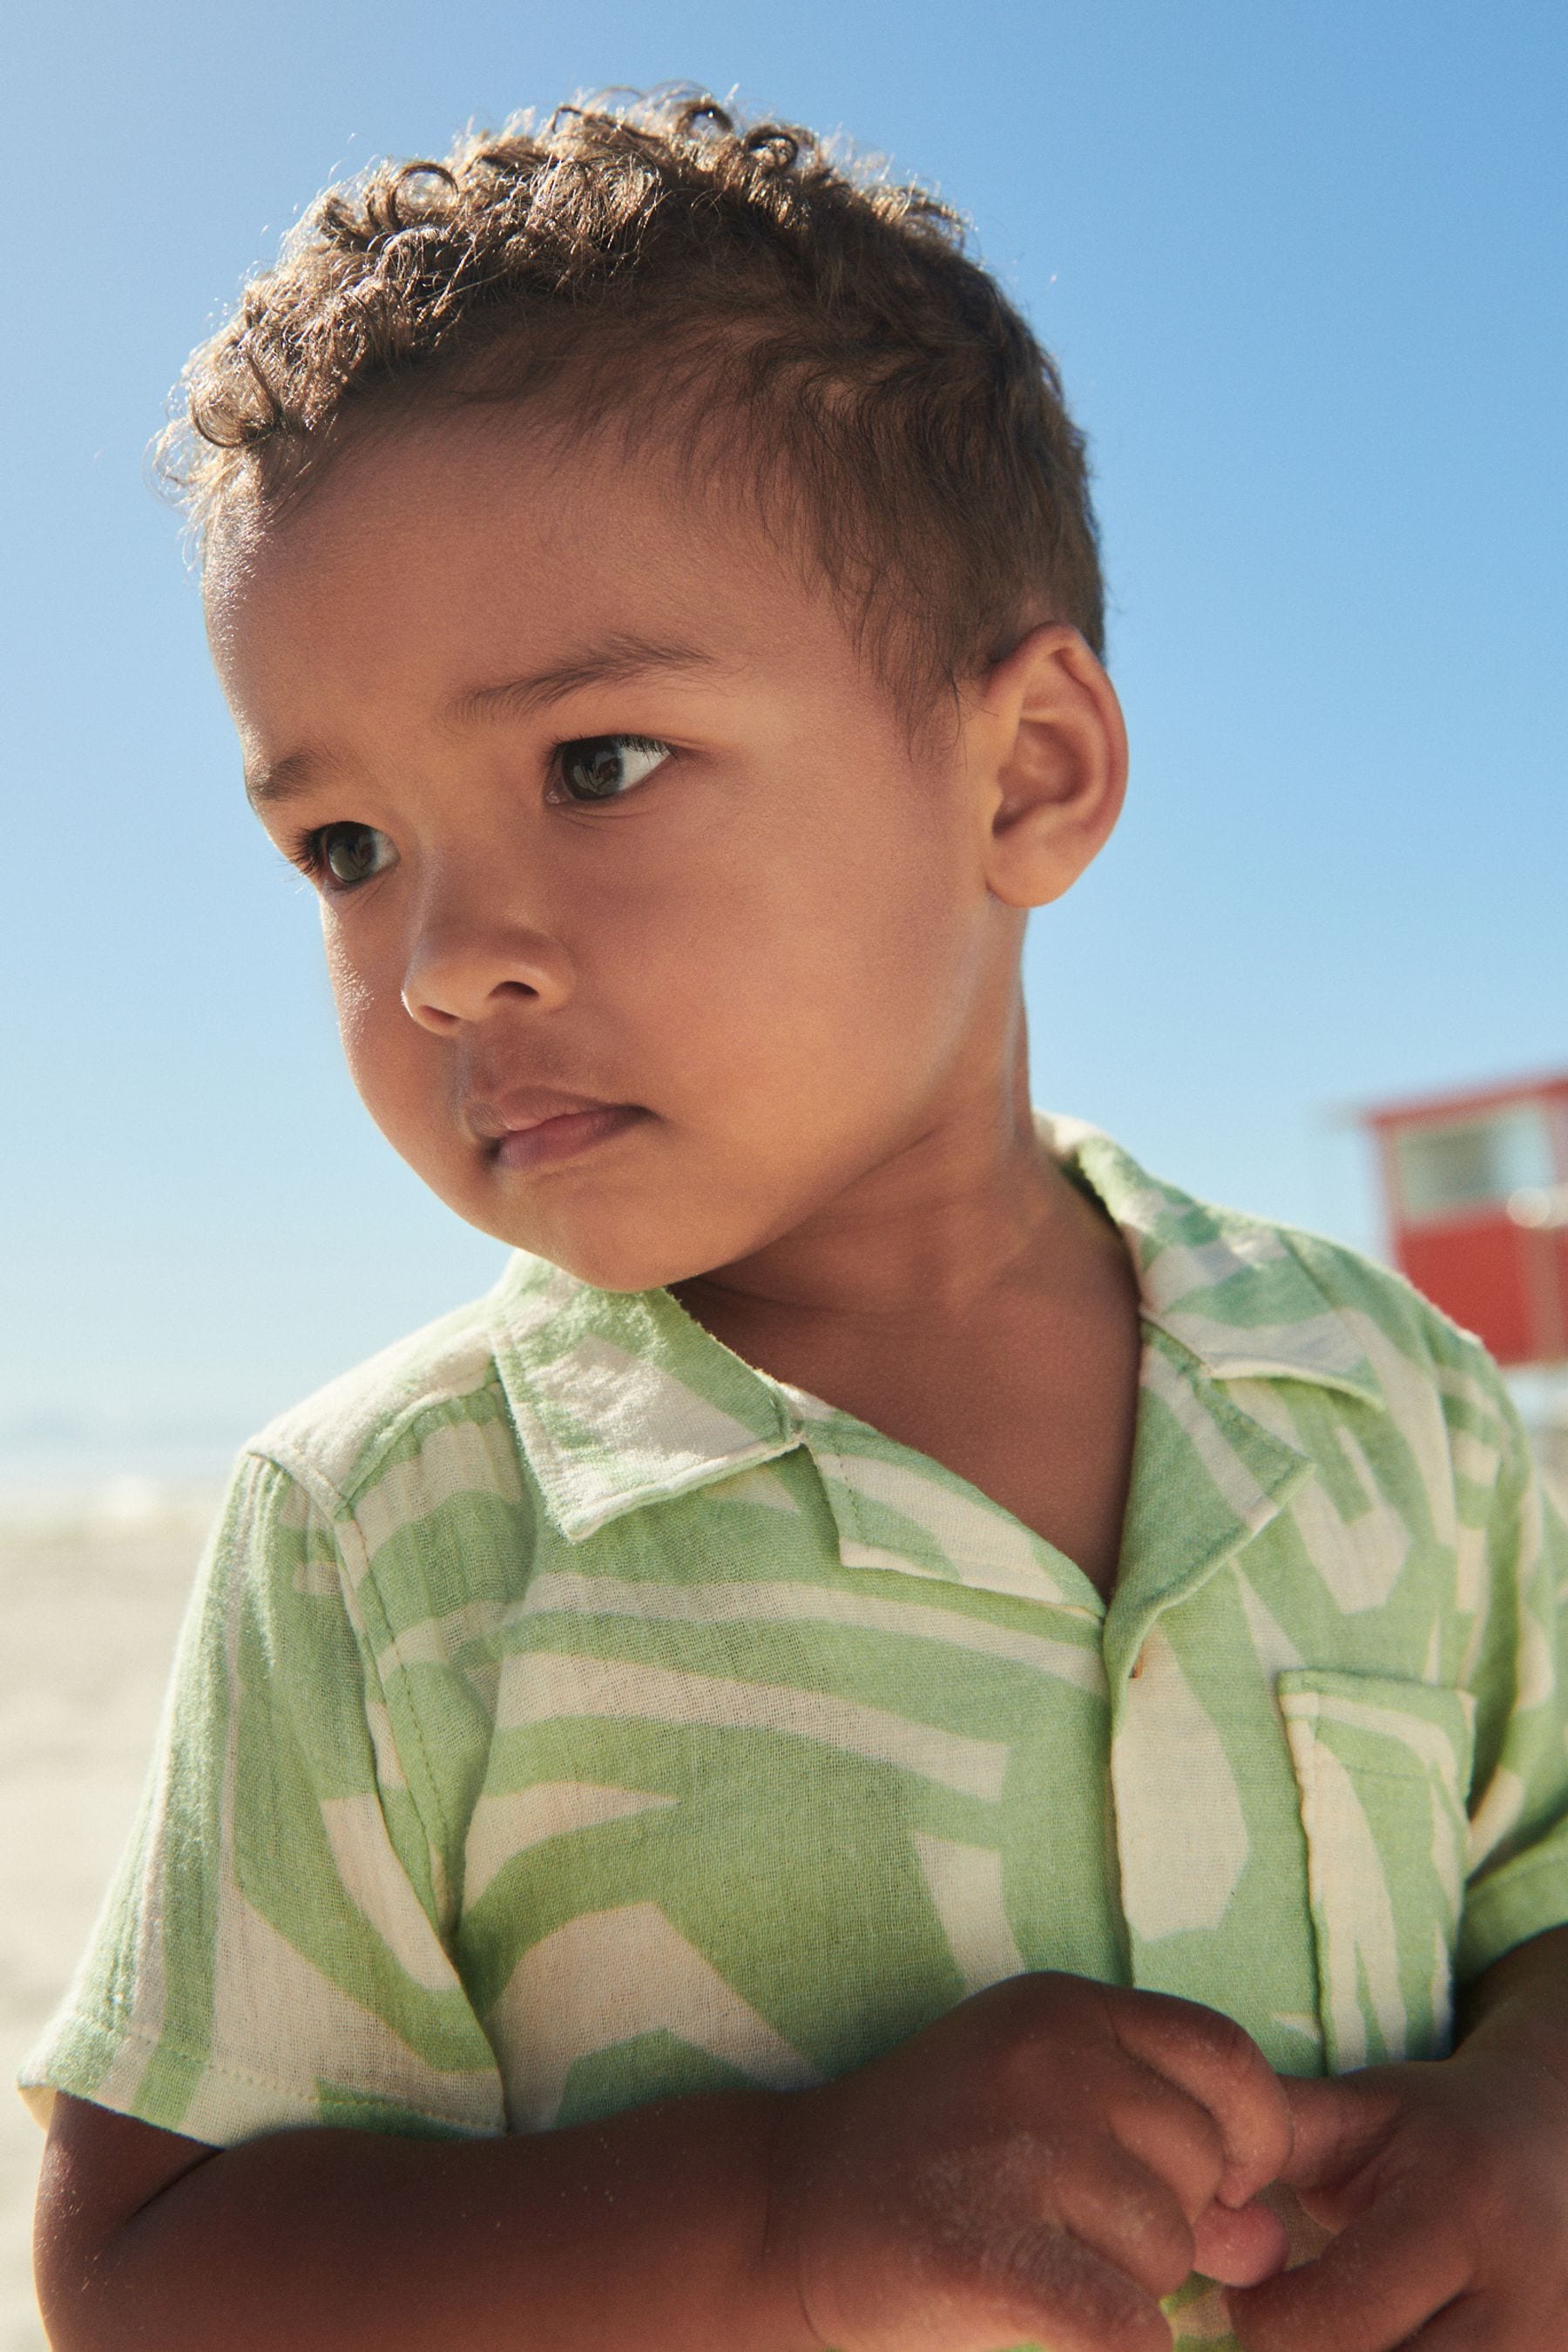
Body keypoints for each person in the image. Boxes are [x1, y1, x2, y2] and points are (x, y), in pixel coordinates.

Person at [22, 91, 1568, 2352]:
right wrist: (777, 2219)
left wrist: (1534, 2118)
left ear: (1025, 771)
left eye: (596, 763)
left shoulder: (1399, 1405)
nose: (443, 955)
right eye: (344, 845)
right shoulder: (390, 1534)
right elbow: (143, 2264)